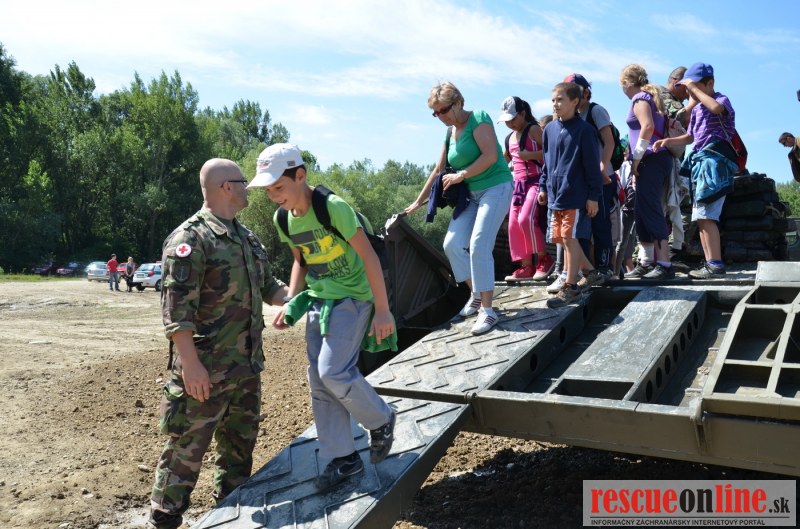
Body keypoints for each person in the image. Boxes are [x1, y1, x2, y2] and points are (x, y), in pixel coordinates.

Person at [148, 158, 289, 529]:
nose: (248, 188)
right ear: (227, 187)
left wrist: (296, 297)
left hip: (245, 369)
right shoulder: (190, 238)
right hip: (205, 373)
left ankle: (229, 515)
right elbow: (176, 312)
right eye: (243, 182)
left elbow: (269, 286)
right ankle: (165, 518)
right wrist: (191, 365)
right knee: (185, 451)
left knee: (238, 454)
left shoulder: (246, 237)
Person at [250, 143, 397, 491]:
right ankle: (343, 457)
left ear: (300, 176)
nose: (274, 196)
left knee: (333, 370)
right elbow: (300, 260)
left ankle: (382, 418)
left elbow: (370, 258)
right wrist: (290, 301)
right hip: (320, 299)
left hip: (354, 297)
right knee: (318, 377)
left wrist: (382, 310)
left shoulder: (332, 207)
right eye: (268, 190)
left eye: (279, 187)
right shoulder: (284, 218)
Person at [405, 81, 513, 335]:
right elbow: (438, 170)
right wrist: (418, 202)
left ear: (459, 102)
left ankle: (488, 311)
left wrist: (462, 175)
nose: (440, 116)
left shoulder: (479, 118)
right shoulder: (449, 133)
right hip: (471, 196)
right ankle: (476, 293)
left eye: (443, 110)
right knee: (452, 245)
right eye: (436, 113)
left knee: (479, 244)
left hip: (496, 187)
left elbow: (490, 156)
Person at [653, 62, 737, 279]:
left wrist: (694, 89)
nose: (690, 91)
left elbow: (716, 109)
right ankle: (711, 262)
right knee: (701, 216)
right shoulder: (698, 108)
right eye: (687, 88)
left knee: (707, 214)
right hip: (700, 163)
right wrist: (669, 141)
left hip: (715, 162)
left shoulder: (720, 99)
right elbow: (690, 137)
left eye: (695, 86)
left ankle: (715, 263)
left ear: (710, 83)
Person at [537, 82, 604, 308]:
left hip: (576, 195)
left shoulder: (586, 131)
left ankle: (571, 286)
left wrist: (593, 196)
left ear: (575, 102)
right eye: (553, 100)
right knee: (562, 239)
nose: (555, 104)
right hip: (555, 195)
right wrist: (543, 186)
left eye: (560, 100)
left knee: (569, 238)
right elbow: (546, 163)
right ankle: (591, 273)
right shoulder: (549, 130)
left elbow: (593, 167)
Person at [619, 64, 675, 280]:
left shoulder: (640, 98)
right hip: (653, 160)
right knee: (641, 210)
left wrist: (637, 157)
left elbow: (647, 127)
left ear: (626, 83)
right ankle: (646, 261)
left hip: (650, 159)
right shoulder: (651, 97)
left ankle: (664, 264)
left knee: (651, 208)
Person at [564, 73, 615, 281]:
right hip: (581, 180)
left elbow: (609, 141)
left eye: (576, 91)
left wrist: (602, 167)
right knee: (581, 228)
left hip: (602, 177)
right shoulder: (570, 117)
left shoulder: (596, 111)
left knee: (600, 224)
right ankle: (586, 270)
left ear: (586, 93)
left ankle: (605, 267)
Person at [498, 96, 553, 282]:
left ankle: (544, 259)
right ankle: (526, 265)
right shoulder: (509, 138)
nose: (510, 124)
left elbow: (551, 152)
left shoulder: (534, 130)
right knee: (513, 223)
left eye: (513, 119)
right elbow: (504, 160)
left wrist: (530, 155)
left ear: (523, 114)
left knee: (526, 219)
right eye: (507, 121)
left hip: (536, 180)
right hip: (519, 184)